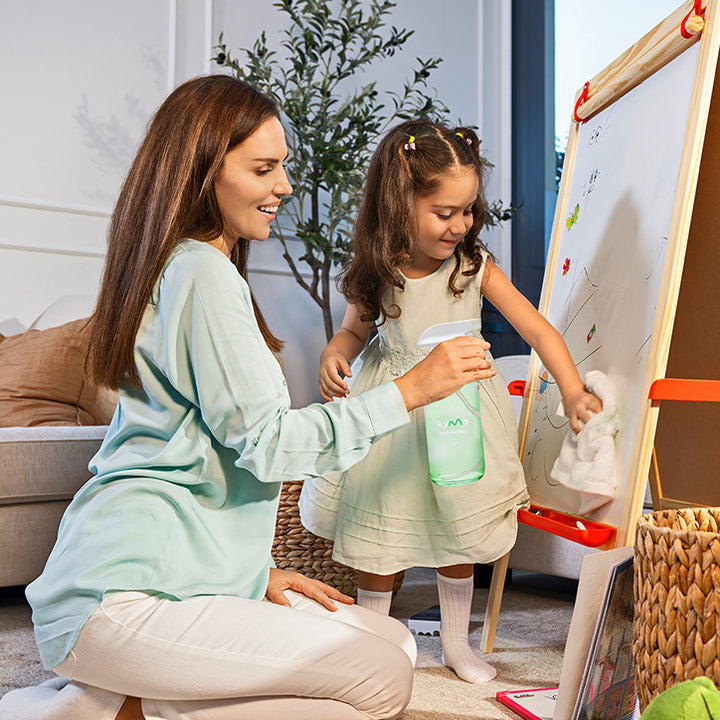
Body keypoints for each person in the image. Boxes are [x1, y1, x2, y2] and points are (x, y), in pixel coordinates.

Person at [0, 78, 497, 720]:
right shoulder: (199, 274)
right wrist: (409, 390)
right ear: (206, 173)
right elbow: (267, 446)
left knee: (396, 641)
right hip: (120, 597)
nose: (284, 186)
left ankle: (114, 702)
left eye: (282, 166)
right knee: (381, 683)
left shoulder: (189, 268)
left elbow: (182, 452)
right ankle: (120, 710)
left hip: (163, 580)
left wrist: (251, 574)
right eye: (264, 168)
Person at [299, 117, 602, 685]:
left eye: (468, 211)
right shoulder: (380, 271)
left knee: (455, 531)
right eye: (445, 212)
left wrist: (573, 388)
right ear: (399, 204)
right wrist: (331, 354)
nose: (461, 224)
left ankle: (457, 646)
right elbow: (352, 333)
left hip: (458, 416)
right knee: (380, 539)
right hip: (392, 414)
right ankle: (377, 646)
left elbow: (537, 329)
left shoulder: (471, 268)